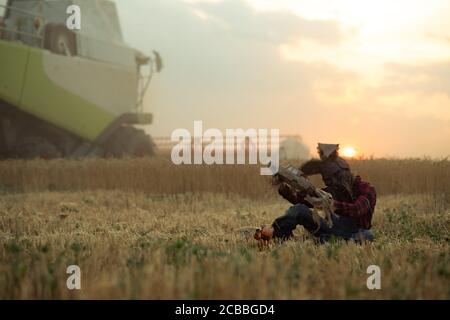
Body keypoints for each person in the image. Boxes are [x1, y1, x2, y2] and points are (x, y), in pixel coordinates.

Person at [256, 143, 377, 244]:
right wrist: (284, 188)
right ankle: (276, 233)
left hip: (355, 231)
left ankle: (330, 240)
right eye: (328, 180)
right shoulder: (332, 190)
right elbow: (301, 200)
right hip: (331, 229)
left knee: (368, 235)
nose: (331, 183)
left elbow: (357, 209)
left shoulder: (366, 189)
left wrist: (330, 204)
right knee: (299, 209)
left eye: (333, 179)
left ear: (344, 174)